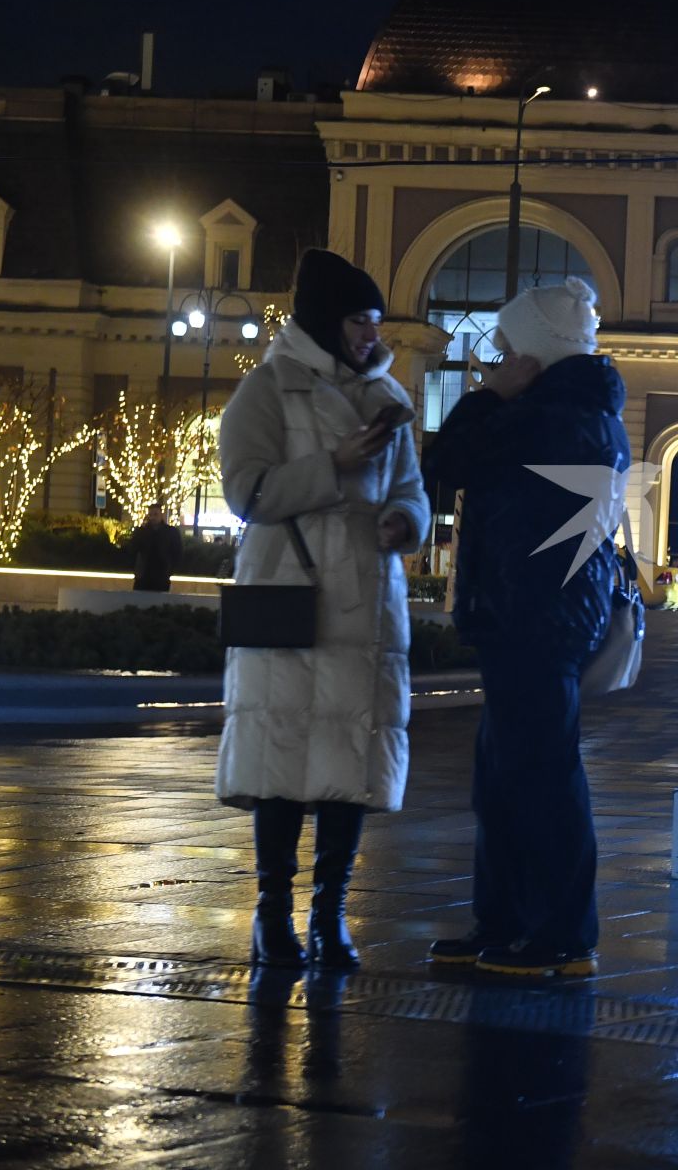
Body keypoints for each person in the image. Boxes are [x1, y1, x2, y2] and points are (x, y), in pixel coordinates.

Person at [216, 248, 429, 970]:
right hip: (289, 594)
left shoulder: (387, 395)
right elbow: (247, 494)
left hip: (365, 601)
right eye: (357, 320)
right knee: (280, 763)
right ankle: (271, 914)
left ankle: (330, 915)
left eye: (374, 322)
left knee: (350, 764)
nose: (371, 334)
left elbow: (411, 488)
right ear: (324, 321)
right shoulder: (267, 390)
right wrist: (332, 467)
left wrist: (406, 521)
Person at [423, 276, 630, 979]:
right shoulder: (576, 409)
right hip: (534, 614)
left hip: (534, 617)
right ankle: (509, 923)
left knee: (537, 776)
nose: (495, 361)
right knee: (508, 774)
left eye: (508, 348)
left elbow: (444, 461)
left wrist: (489, 396)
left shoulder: (550, 414)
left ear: (536, 353)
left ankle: (561, 936)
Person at [128, 505, 183, 592]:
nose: (152, 517)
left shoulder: (170, 532)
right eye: (150, 515)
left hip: (161, 575)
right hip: (144, 574)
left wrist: (169, 570)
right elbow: (132, 550)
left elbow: (177, 553)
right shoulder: (141, 532)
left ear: (162, 515)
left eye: (155, 514)